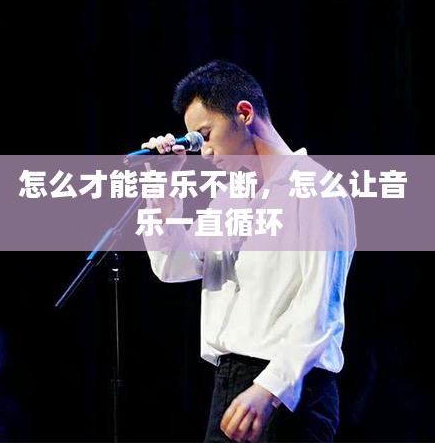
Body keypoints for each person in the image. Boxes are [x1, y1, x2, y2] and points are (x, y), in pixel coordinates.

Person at [140, 60, 355, 442]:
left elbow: (321, 306)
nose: (205, 152)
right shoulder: (231, 199)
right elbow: (173, 264)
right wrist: (163, 186)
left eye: (206, 135)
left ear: (243, 113)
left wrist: (270, 389)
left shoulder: (314, 189)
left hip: (287, 389)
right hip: (232, 382)